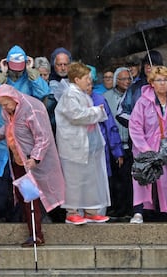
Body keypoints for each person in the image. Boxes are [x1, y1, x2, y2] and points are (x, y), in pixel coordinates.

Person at [0, 84, 65, 246]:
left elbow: (43, 137)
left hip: (31, 161)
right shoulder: (8, 111)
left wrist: (35, 158)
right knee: (24, 197)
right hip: (18, 159)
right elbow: (9, 129)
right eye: (1, 104)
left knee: (32, 197)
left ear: (14, 99)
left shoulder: (31, 109)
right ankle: (33, 230)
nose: (4, 108)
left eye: (6, 103)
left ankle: (37, 234)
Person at [0, 45, 50, 223]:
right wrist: (2, 75)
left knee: (25, 179)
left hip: (23, 135)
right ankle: (1, 216)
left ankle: (23, 218)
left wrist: (31, 71)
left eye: (19, 69)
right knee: (2, 179)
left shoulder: (29, 76)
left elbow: (44, 92)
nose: (17, 73)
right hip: (2, 133)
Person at [55, 62, 111, 225]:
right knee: (74, 180)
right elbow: (77, 115)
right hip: (74, 147)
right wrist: (97, 111)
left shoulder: (82, 94)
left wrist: (96, 112)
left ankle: (90, 210)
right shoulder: (70, 94)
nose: (90, 81)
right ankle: (72, 211)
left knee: (90, 179)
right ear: (77, 79)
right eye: (87, 78)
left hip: (87, 145)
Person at [128, 66, 167, 224]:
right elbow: (135, 126)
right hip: (145, 147)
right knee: (143, 179)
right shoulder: (143, 101)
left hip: (165, 146)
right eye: (159, 80)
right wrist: (145, 149)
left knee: (165, 181)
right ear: (152, 83)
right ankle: (139, 212)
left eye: (165, 79)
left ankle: (165, 213)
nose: (163, 83)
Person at [86, 78, 124, 218]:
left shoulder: (99, 99)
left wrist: (117, 151)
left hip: (99, 149)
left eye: (90, 84)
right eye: (86, 83)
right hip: (79, 149)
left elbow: (110, 127)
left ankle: (98, 213)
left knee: (100, 182)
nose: (88, 86)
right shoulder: (72, 99)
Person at [103, 67, 134, 218]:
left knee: (128, 179)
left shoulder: (133, 95)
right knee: (114, 180)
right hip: (113, 144)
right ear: (116, 80)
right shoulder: (106, 96)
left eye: (129, 79)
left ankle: (127, 210)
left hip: (130, 144)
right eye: (123, 79)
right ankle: (115, 209)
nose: (127, 81)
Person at [117, 50, 164, 128]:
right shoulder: (134, 88)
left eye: (153, 63)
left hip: (161, 136)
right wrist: (137, 123)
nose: (148, 66)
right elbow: (121, 112)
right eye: (146, 63)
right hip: (138, 136)